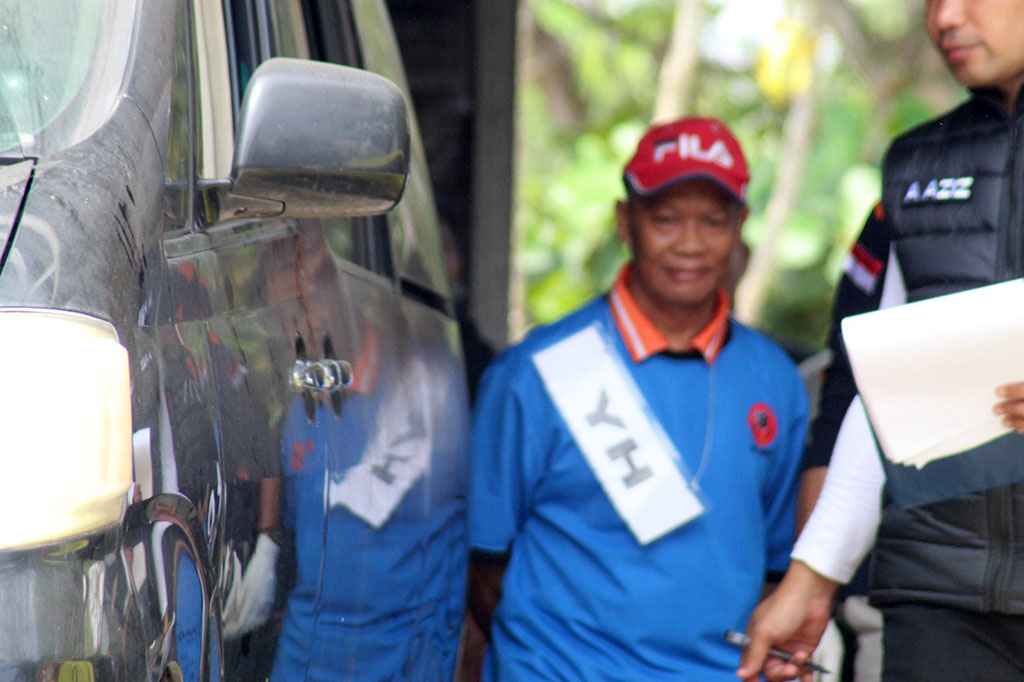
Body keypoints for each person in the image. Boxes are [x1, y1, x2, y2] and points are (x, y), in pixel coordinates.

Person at [737, 1, 1024, 680]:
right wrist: (812, 577)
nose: (945, 17)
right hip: (940, 597)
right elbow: (882, 390)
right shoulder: (914, 167)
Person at [466, 116, 809, 680]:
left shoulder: (775, 379)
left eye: (713, 221)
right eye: (667, 219)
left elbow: (776, 569)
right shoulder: (534, 373)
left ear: (741, 226)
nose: (691, 244)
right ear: (627, 222)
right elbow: (483, 569)